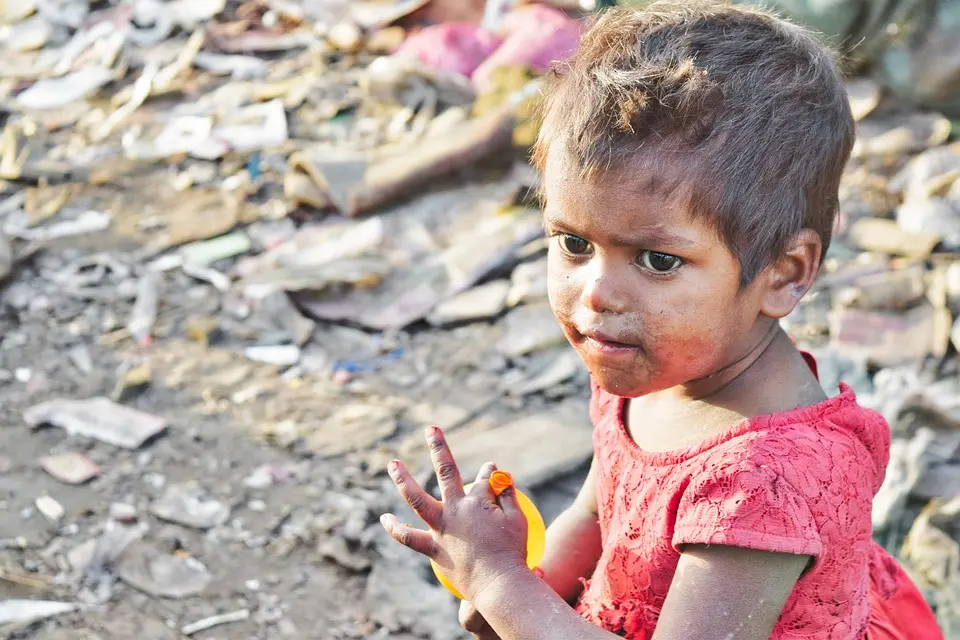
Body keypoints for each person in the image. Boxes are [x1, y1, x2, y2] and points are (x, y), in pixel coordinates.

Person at [378, 2, 945, 638]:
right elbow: (596, 516)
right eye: (573, 244)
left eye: (656, 260)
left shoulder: (765, 479)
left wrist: (499, 582)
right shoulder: (652, 364)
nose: (598, 294)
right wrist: (525, 595)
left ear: (783, 274)